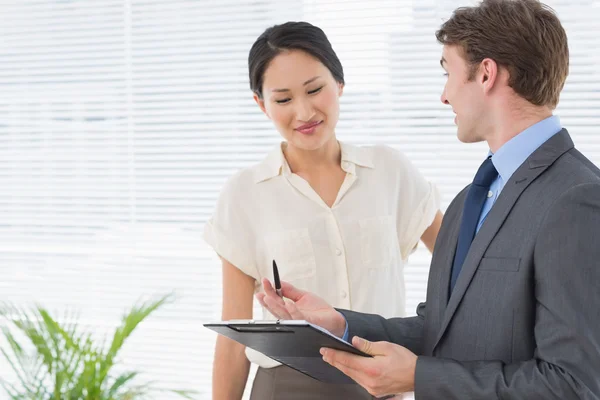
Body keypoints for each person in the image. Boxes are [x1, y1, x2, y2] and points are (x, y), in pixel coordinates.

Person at [257, 1, 600, 399]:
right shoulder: (469, 201)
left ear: (486, 74)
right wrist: (339, 325)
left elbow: (575, 385)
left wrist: (420, 377)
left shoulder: (577, 199)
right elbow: (440, 330)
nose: (444, 95)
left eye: (448, 72)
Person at [203, 21, 444, 400]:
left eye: (315, 90)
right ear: (260, 103)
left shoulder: (390, 172)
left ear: (340, 84)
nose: (304, 111)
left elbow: (465, 272)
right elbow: (234, 339)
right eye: (282, 99)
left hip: (382, 386)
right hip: (286, 388)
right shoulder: (244, 195)